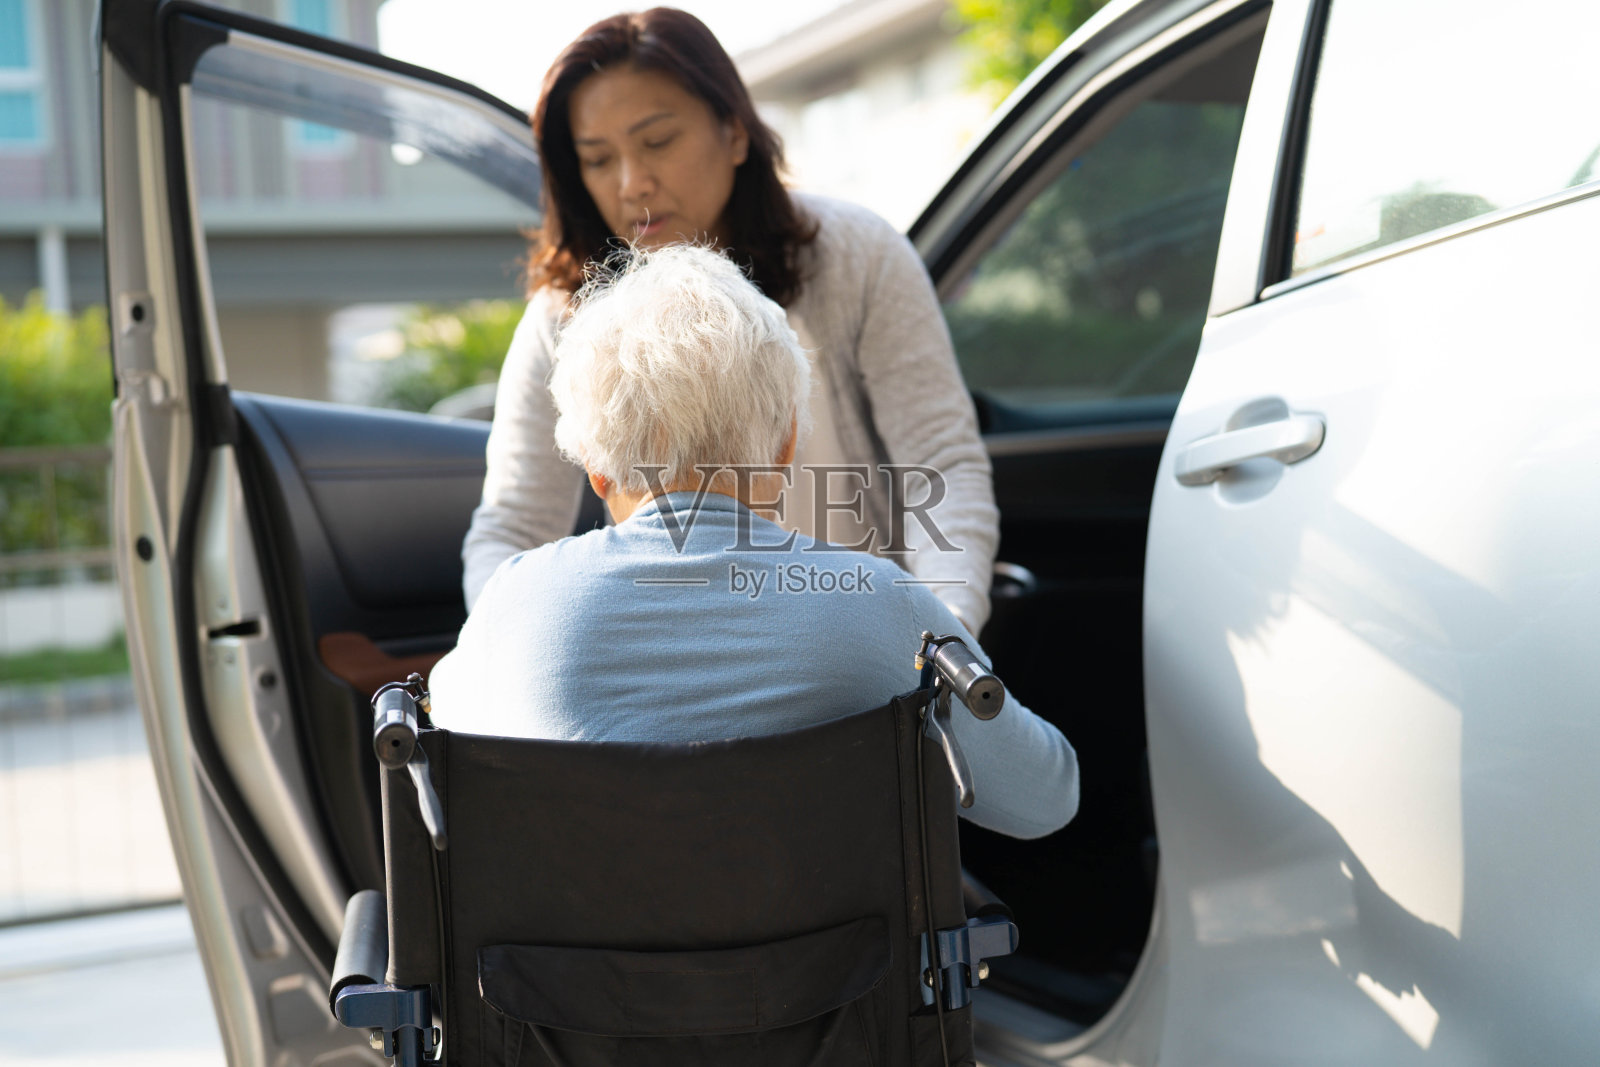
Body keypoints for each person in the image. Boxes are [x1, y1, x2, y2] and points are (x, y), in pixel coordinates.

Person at [430, 246, 1077, 840]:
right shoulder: (884, 609)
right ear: (787, 444)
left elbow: (452, 773)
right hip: (839, 969)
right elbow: (1047, 797)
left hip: (566, 970)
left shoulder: (512, 607)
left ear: (597, 469)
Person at [461, 7, 1000, 632]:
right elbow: (512, 527)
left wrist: (944, 640)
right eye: (599, 159)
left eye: (658, 141)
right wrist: (512, 658)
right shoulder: (566, 314)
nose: (633, 182)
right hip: (671, 679)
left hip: (865, 658)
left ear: (736, 132)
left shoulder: (859, 255)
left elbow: (940, 465)